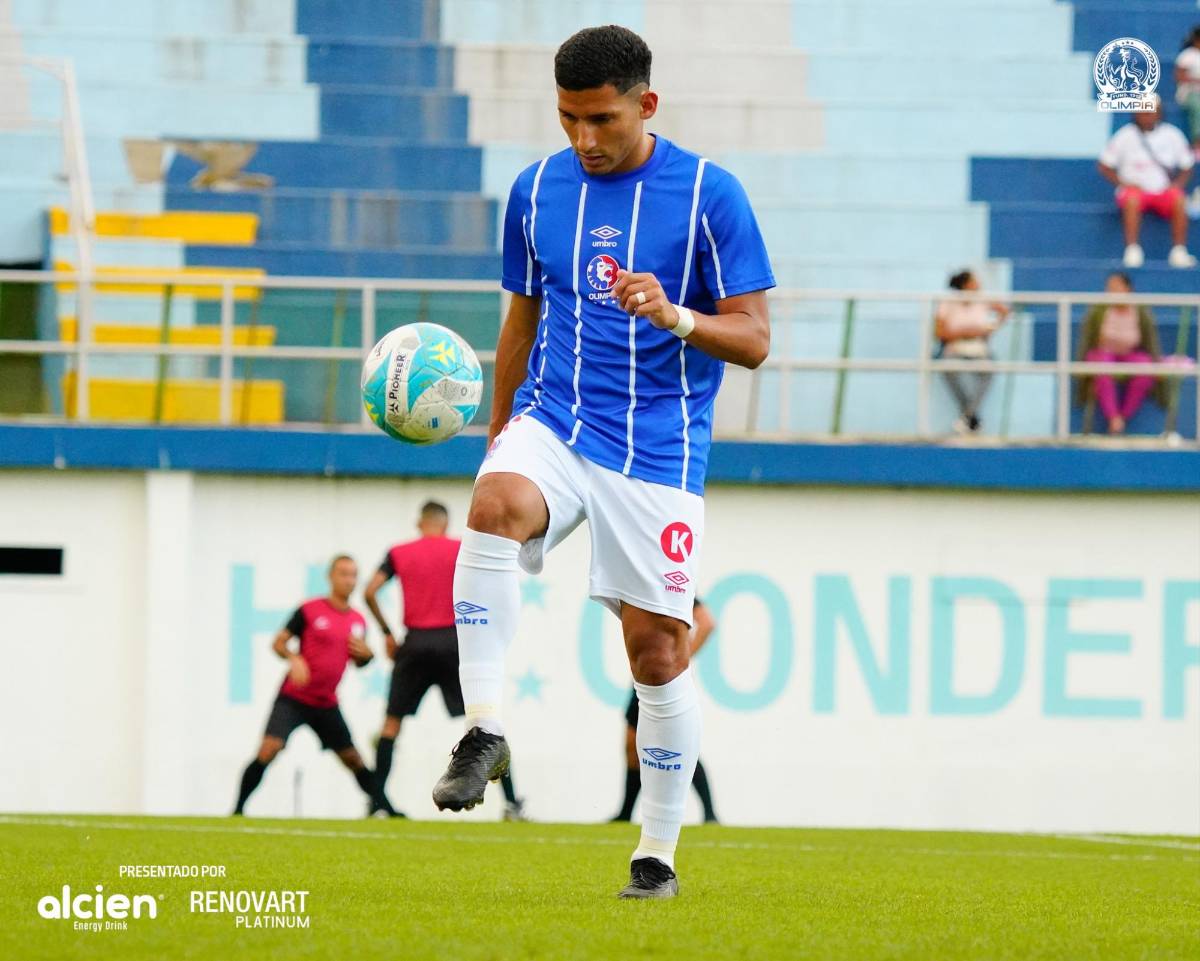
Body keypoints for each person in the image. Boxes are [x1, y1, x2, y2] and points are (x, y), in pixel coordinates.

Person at [428, 25, 773, 900]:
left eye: (602, 118)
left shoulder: (709, 194)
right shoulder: (535, 189)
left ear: (646, 105)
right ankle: (484, 729)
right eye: (568, 118)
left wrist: (678, 316)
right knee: (495, 504)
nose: (584, 137)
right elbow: (520, 321)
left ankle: (655, 854)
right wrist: (501, 435)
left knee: (655, 653)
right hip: (557, 418)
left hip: (658, 444)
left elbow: (756, 339)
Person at [364, 501, 526, 821]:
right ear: (446, 522)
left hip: (415, 642)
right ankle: (511, 804)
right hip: (454, 642)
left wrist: (386, 632)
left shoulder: (399, 552)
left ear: (419, 522)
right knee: (486, 721)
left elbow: (370, 591)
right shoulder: (460, 549)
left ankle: (377, 802)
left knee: (391, 724)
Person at [233, 555, 398, 817]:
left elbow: (360, 662)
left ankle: (385, 808)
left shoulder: (358, 620)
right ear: (331, 577)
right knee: (269, 749)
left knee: (353, 758)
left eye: (353, 575)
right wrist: (293, 657)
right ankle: (237, 809)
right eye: (343, 574)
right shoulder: (309, 609)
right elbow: (278, 642)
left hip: (326, 703)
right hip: (293, 698)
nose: (349, 580)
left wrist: (367, 657)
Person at [611, 598, 718, 824]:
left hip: (663, 677)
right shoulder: (647, 585)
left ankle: (710, 814)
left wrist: (679, 659)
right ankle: (625, 812)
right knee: (633, 743)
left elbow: (706, 622)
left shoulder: (669, 582)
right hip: (646, 675)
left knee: (674, 743)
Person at [1097, 97, 1196, 269]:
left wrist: (1177, 185)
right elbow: (1104, 165)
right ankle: (1132, 250)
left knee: (1179, 199)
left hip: (1163, 191)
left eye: (1151, 111)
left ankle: (1179, 251)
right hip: (1135, 192)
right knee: (1132, 199)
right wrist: (1124, 183)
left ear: (1159, 113)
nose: (1146, 115)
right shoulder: (1125, 135)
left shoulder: (1172, 135)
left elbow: (1187, 166)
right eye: (1143, 110)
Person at [1076, 271, 1166, 435]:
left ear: (1128, 289)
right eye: (1109, 288)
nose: (1112, 291)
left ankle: (1122, 418)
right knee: (1102, 367)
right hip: (1103, 352)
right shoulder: (1098, 310)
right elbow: (1087, 338)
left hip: (1130, 353)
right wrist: (1081, 365)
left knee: (1145, 368)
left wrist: (1157, 363)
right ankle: (1112, 417)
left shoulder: (1141, 311)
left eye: (1116, 287)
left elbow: (1150, 339)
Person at [934, 270, 1009, 434]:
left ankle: (967, 417)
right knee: (948, 368)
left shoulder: (982, 300)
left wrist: (990, 328)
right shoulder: (948, 302)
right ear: (965, 285)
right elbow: (939, 332)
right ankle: (971, 417)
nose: (978, 284)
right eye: (974, 281)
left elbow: (1004, 310)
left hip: (979, 349)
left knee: (988, 370)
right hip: (955, 347)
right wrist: (964, 333)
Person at [1174, 27, 1200, 159]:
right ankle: (1197, 145)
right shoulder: (1187, 55)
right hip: (1189, 93)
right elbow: (1179, 77)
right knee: (1198, 105)